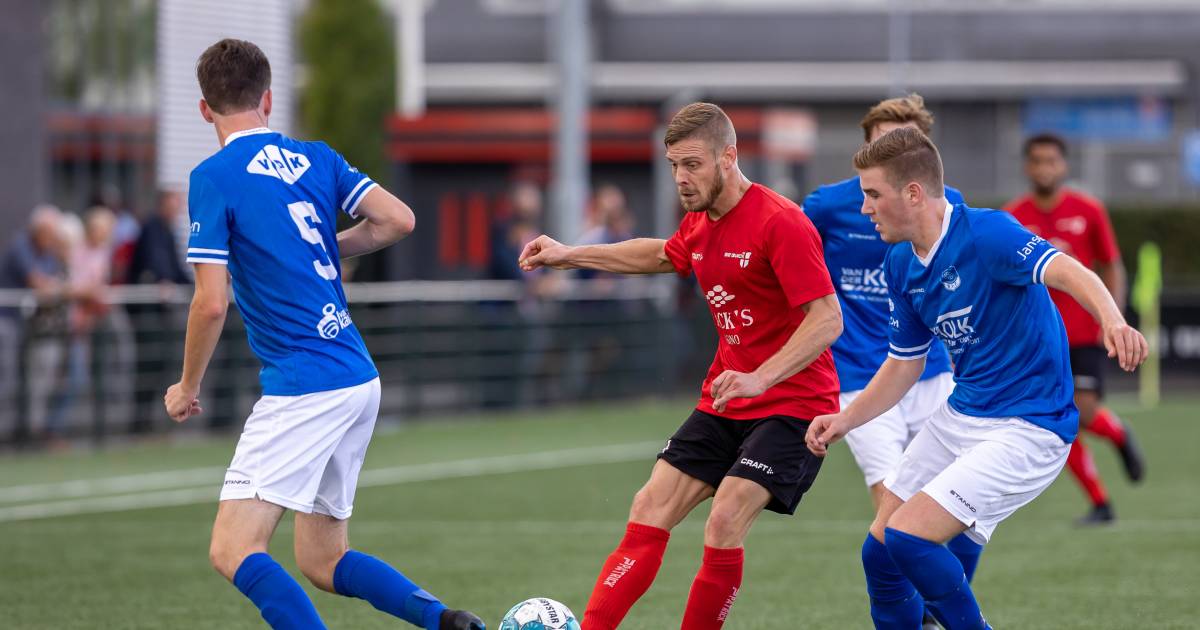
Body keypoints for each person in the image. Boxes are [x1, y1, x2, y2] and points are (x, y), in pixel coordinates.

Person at [163, 39, 483, 630]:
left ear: (204, 109)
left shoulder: (212, 177)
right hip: (356, 375)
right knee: (323, 558)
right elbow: (398, 219)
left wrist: (186, 386)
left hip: (303, 384)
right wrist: (332, 247)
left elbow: (210, 304)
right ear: (267, 99)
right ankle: (445, 621)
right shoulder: (317, 157)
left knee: (232, 549)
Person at [806, 128, 1147, 629]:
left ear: (913, 193)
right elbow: (904, 364)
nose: (864, 209)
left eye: (873, 195)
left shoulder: (987, 234)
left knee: (908, 538)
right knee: (879, 553)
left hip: (1031, 427)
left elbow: (1071, 271)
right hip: (964, 414)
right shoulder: (900, 262)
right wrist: (844, 419)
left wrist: (1112, 319)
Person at [519, 102, 842, 630]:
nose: (681, 178)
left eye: (693, 164)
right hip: (727, 398)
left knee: (724, 517)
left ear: (729, 157)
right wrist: (568, 254)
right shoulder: (699, 222)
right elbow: (662, 255)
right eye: (674, 165)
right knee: (650, 504)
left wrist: (762, 376)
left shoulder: (780, 222)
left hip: (795, 404)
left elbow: (827, 320)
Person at [803, 94, 982, 627]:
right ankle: (919, 614)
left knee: (959, 506)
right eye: (880, 138)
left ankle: (931, 611)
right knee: (895, 508)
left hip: (934, 372)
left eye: (902, 137)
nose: (890, 146)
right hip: (860, 376)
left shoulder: (949, 205)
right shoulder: (830, 205)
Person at [1005, 133, 1145, 525]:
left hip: (1084, 332)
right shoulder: (1013, 216)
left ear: (1063, 166)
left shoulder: (1089, 210)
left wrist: (1112, 316)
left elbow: (1111, 265)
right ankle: (1101, 504)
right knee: (1058, 421)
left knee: (1082, 411)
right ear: (1026, 166)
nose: (1044, 168)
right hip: (1038, 337)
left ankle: (1117, 433)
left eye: (1051, 160)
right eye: (1036, 161)